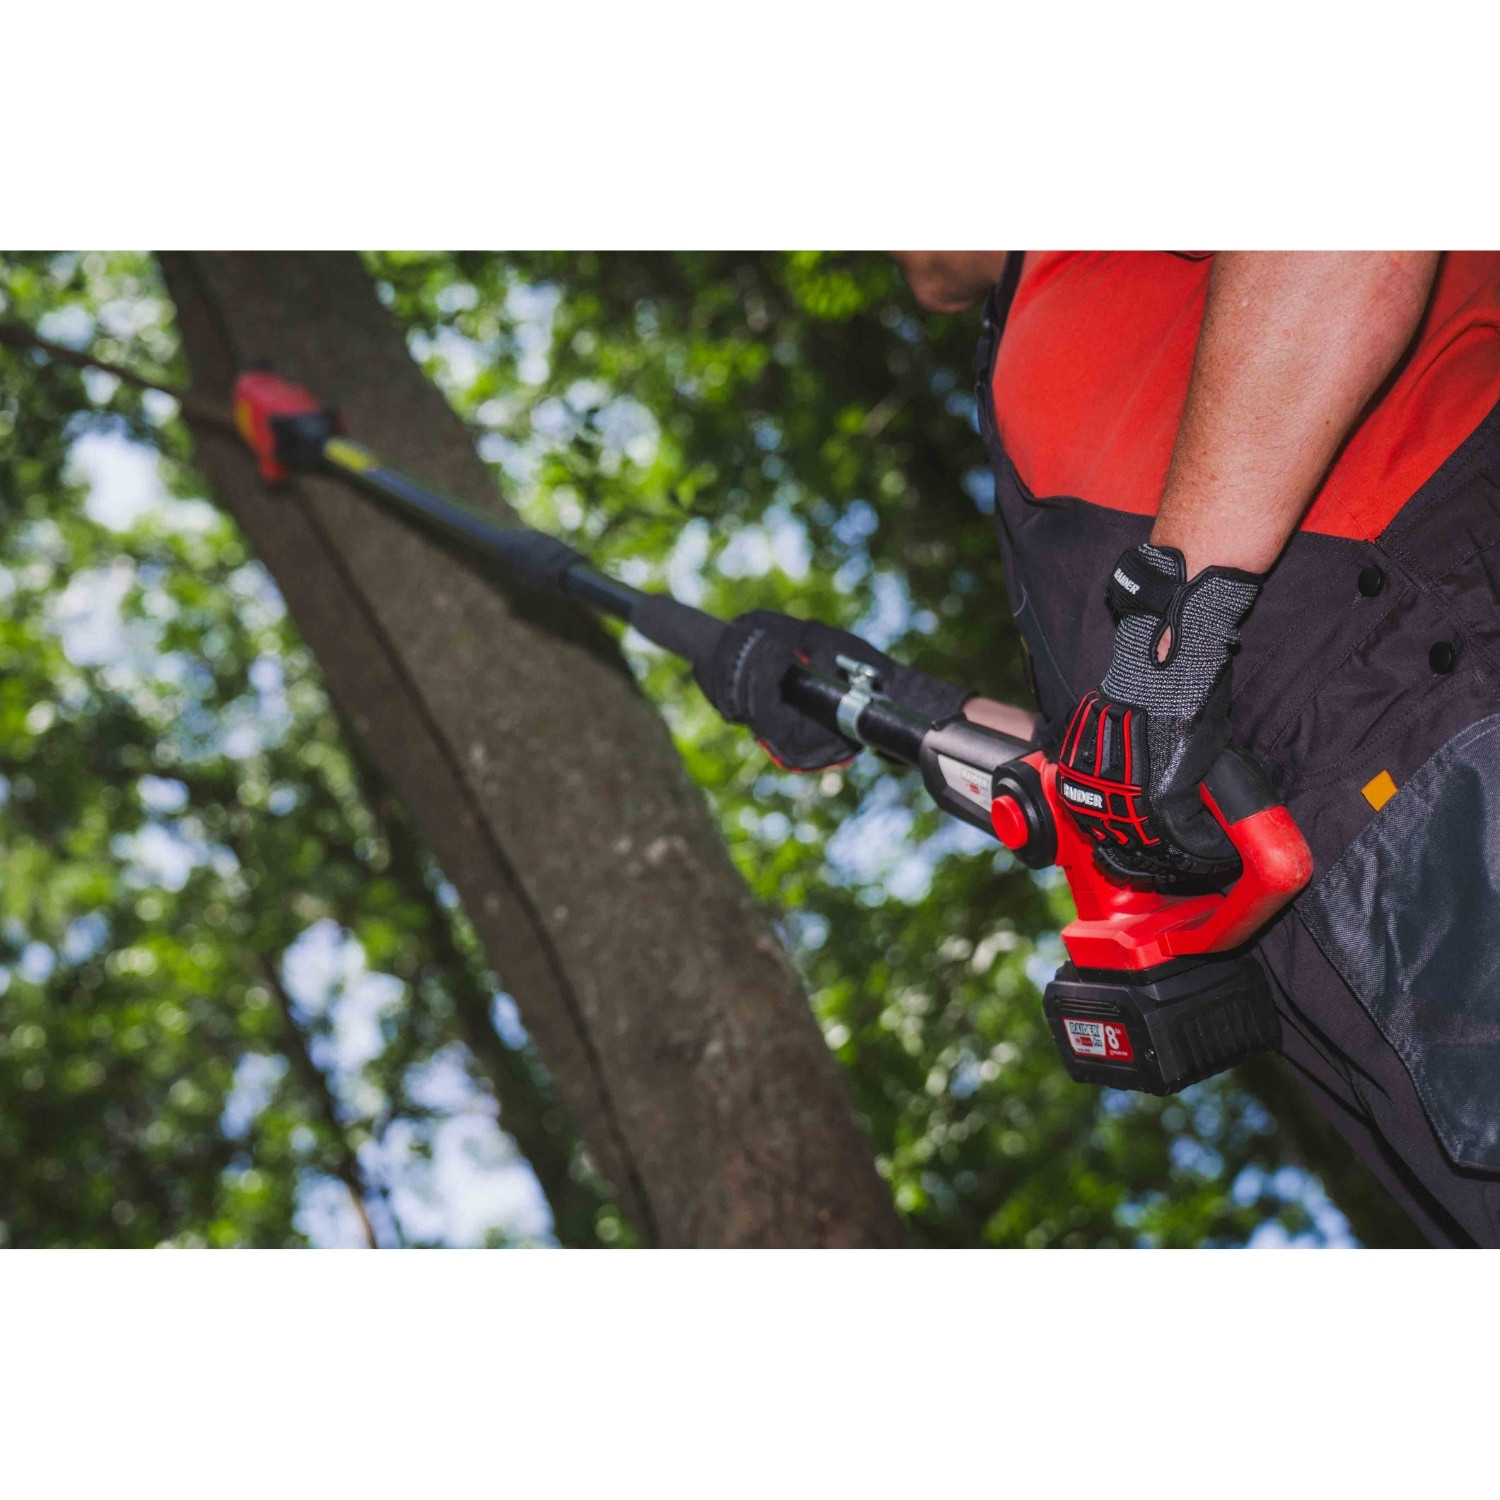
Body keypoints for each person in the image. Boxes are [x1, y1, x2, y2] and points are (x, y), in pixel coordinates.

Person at [710, 251, 1500, 1247]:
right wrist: (890, 704)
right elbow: (1106, 767)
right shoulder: (1040, 340)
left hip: (1438, 708)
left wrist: (1170, 640)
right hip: (1359, 902)